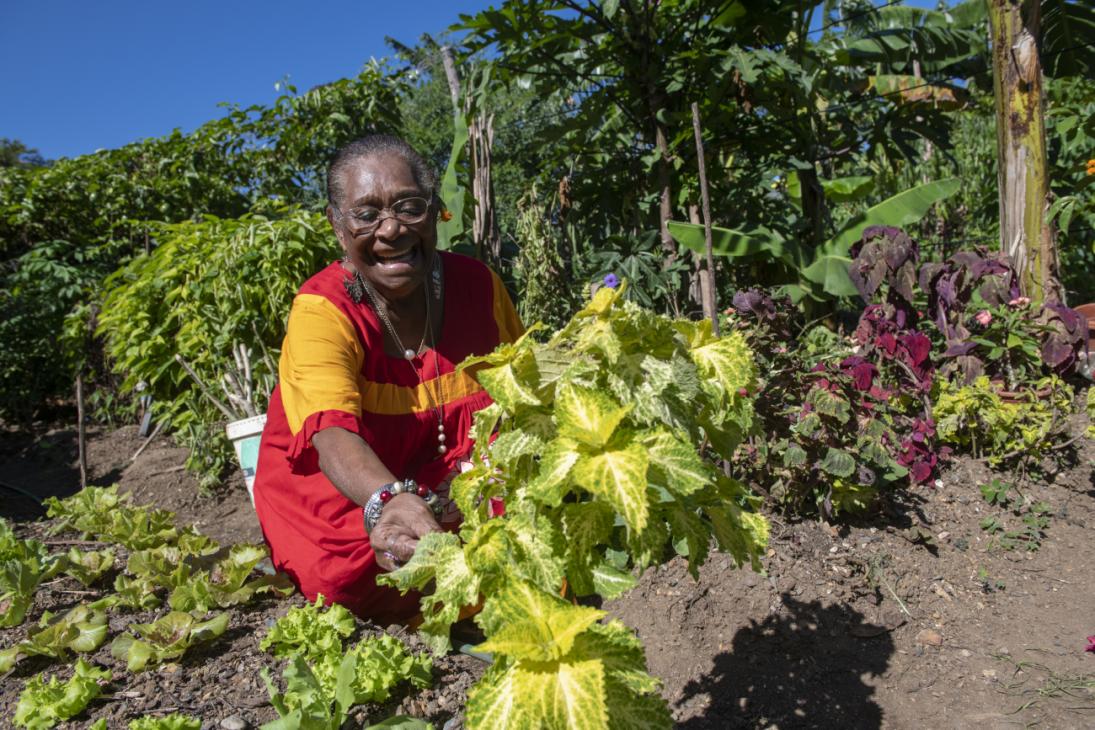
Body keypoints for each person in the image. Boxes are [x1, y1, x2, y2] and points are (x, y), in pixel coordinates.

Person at [252, 135, 523, 624]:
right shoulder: (323, 309)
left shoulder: (478, 286)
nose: (391, 229)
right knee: (343, 576)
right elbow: (332, 434)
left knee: (534, 522)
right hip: (350, 489)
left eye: (409, 206)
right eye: (366, 214)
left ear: (437, 211)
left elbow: (522, 392)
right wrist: (388, 501)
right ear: (338, 228)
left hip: (452, 478)